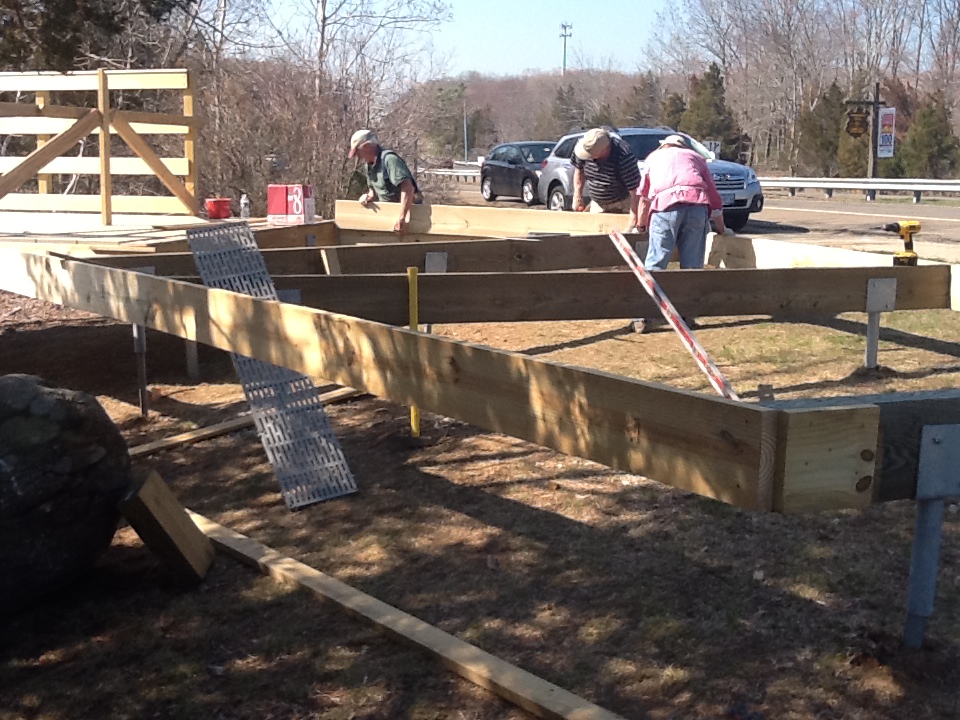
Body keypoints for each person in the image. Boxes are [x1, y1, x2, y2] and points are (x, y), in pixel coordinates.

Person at [633, 134, 727, 333]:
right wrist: (722, 228)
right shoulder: (696, 158)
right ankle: (688, 315)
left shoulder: (653, 158)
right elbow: (713, 195)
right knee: (692, 264)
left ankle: (645, 316)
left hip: (665, 207)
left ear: (664, 146)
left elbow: (644, 197)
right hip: (696, 206)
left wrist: (640, 225)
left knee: (656, 261)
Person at [348, 129, 420, 234]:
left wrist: (402, 218)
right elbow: (373, 191)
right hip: (388, 213)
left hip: (411, 216)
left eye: (358, 151)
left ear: (366, 146)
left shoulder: (390, 160)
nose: (358, 157)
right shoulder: (369, 166)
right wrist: (368, 197)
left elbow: (408, 189)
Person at [571, 127, 641, 230]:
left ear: (605, 150)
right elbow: (579, 170)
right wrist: (577, 194)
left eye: (591, 155)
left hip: (622, 203)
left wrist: (633, 220)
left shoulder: (622, 155)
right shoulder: (584, 146)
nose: (589, 157)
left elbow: (635, 192)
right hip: (597, 203)